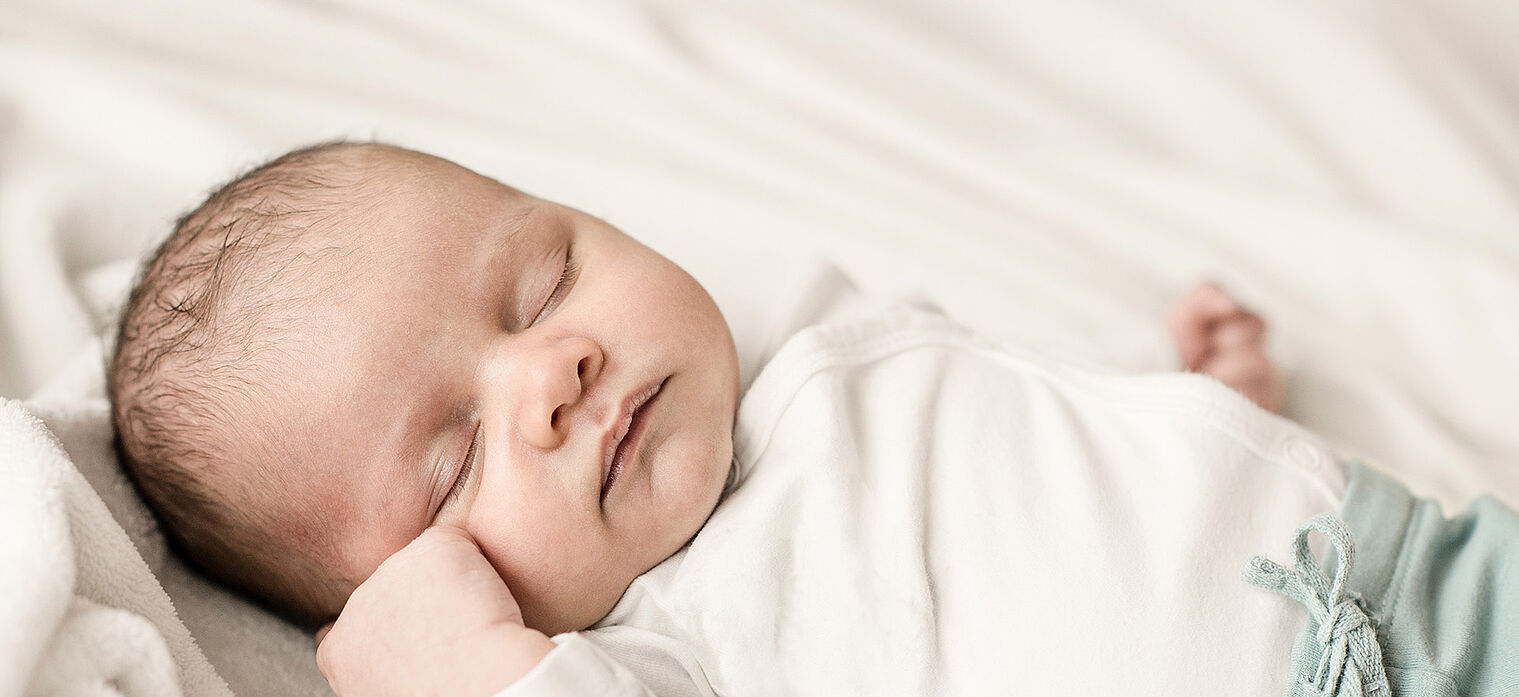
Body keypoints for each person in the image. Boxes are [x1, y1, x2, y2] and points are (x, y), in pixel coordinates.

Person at [108, 142, 1515, 696]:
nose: (550, 372)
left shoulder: (824, 343)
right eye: (452, 459)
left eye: (542, 280)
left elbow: (1014, 415)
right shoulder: (658, 647)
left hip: (1427, 583)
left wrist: (1172, 384)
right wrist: (464, 675)